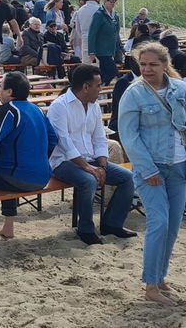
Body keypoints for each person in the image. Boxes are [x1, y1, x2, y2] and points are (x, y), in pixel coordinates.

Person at [118, 42, 186, 306]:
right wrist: (147, 168)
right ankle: (151, 285)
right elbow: (128, 136)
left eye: (153, 64)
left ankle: (160, 277)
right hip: (151, 168)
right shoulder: (133, 94)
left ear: (165, 65)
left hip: (179, 166)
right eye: (143, 64)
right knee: (159, 223)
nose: (146, 69)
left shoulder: (182, 89)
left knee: (173, 226)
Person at [48, 63, 137, 244]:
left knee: (128, 178)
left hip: (90, 160)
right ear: (85, 87)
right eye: (98, 85)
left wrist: (102, 165)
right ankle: (85, 229)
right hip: (63, 162)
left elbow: (99, 138)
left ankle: (112, 224)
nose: (101, 89)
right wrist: (88, 167)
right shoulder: (60, 106)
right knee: (88, 180)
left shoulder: (94, 106)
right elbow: (64, 143)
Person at [0, 73, 58, 246]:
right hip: (42, 176)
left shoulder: (10, 110)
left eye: (1, 87)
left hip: (20, 178)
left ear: (9, 91)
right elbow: (53, 139)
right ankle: (8, 227)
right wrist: (39, 159)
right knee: (3, 173)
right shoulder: (36, 109)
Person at [88, 0, 124, 82]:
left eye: (114, 2)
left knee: (104, 72)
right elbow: (92, 33)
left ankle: (101, 88)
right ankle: (102, 86)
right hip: (101, 49)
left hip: (111, 49)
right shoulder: (99, 14)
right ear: (105, 1)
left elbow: (116, 33)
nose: (112, 4)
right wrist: (91, 51)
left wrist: (121, 47)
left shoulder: (115, 15)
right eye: (110, 2)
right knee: (113, 71)